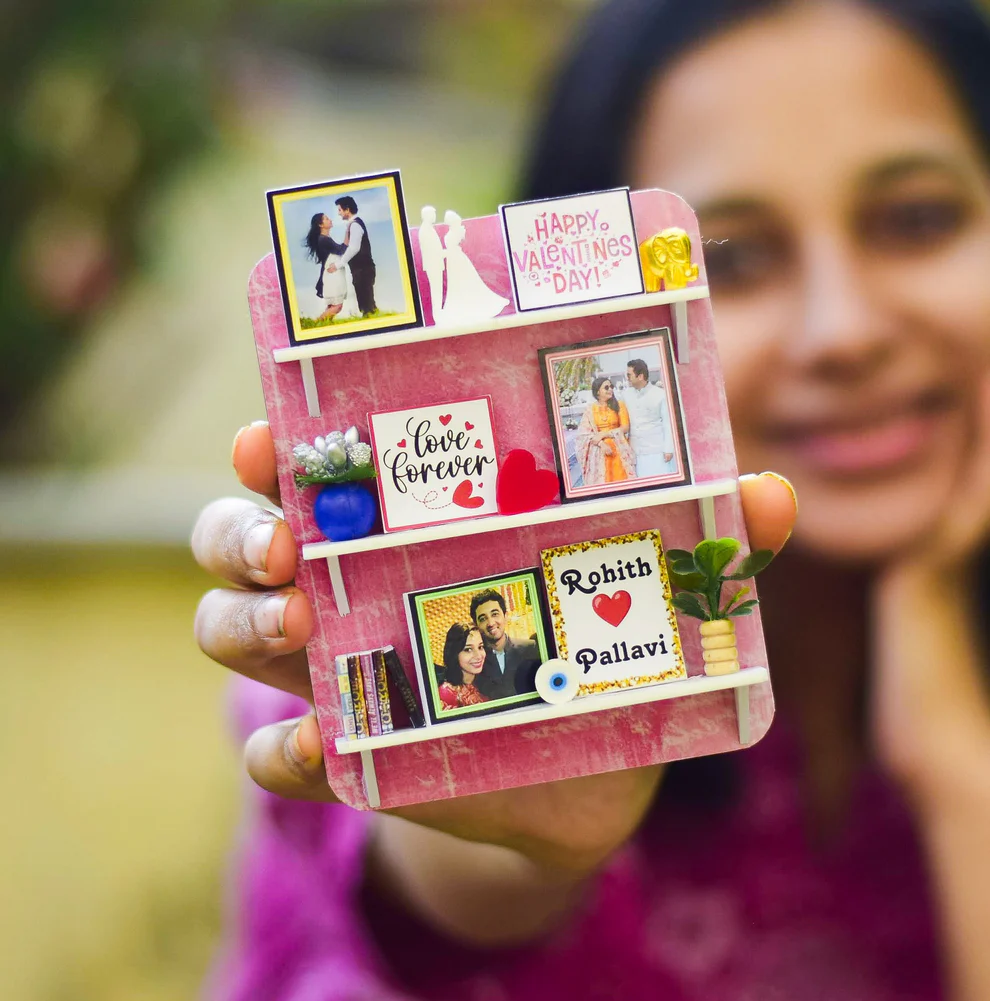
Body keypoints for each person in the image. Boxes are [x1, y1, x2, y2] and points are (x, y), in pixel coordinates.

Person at [193, 1, 990, 998]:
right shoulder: (383, 630)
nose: (844, 329)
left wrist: (954, 749)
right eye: (732, 256)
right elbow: (435, 888)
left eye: (916, 218)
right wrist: (515, 826)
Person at [469, 590, 540, 700]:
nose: (491, 623)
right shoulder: (474, 664)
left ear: (505, 616)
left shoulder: (531, 647)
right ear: (476, 625)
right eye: (483, 619)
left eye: (495, 614)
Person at [574, 374, 635, 486]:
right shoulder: (590, 409)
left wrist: (603, 434)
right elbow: (583, 434)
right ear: (597, 392)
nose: (610, 389)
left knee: (623, 483)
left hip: (619, 450)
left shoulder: (619, 405)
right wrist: (601, 444)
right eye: (606, 387)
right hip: (598, 452)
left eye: (611, 386)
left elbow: (625, 428)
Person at [623, 357, 675, 476]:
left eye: (629, 375)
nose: (627, 378)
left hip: (656, 451)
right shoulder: (626, 395)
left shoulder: (660, 394)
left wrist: (668, 449)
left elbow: (668, 423)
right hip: (635, 451)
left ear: (640, 376)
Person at [327, 195, 377, 316]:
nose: (339, 213)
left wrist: (339, 264)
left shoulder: (355, 225)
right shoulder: (352, 225)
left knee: (367, 304)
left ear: (347, 210)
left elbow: (354, 248)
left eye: (340, 210)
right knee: (365, 302)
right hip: (360, 269)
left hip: (363, 269)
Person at [303, 212, 351, 324]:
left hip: (331, 274)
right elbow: (341, 250)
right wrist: (348, 232)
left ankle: (321, 326)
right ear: (320, 225)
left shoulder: (325, 238)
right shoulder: (323, 239)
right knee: (337, 306)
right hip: (332, 275)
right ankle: (316, 324)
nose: (330, 220)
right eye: (326, 219)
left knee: (332, 305)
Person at [436, 623, 488, 711]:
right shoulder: (446, 693)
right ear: (454, 654)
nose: (479, 656)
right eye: (468, 649)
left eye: (480, 647)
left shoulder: (488, 682)